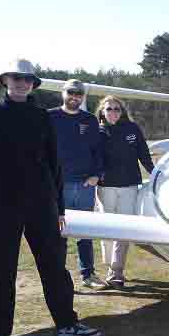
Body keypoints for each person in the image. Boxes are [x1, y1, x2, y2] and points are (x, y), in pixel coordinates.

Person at [0, 59, 102, 336]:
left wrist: (60, 208)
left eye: (27, 79)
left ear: (32, 84)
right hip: (4, 205)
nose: (21, 83)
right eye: (15, 78)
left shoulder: (41, 117)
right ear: (5, 81)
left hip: (42, 204)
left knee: (54, 266)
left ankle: (67, 324)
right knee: (2, 272)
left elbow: (54, 164)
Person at [49, 78, 105, 288]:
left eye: (79, 94)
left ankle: (88, 274)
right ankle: (56, 276)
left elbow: (98, 150)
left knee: (84, 232)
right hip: (58, 185)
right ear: (63, 93)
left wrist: (96, 175)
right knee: (57, 232)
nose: (74, 97)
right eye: (71, 93)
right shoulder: (50, 117)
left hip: (84, 185)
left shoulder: (90, 120)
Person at [96, 96, 154, 288]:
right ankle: (109, 266)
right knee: (107, 228)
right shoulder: (98, 130)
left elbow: (143, 154)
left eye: (117, 109)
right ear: (103, 112)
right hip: (106, 186)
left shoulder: (132, 129)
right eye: (109, 109)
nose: (113, 112)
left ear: (122, 111)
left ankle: (116, 272)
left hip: (129, 185)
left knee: (123, 228)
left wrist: (155, 174)